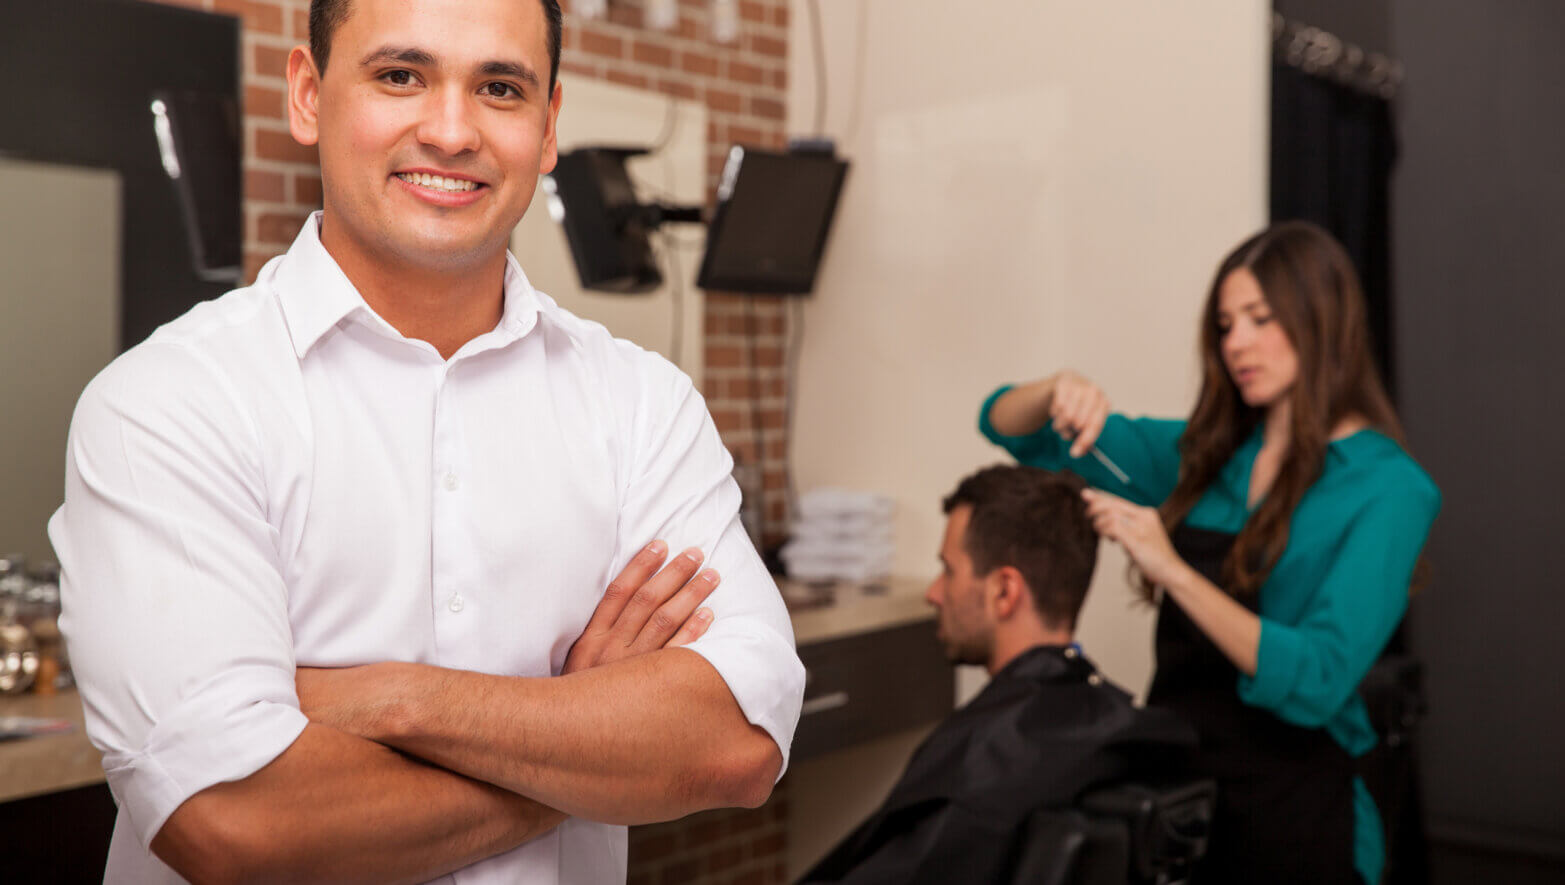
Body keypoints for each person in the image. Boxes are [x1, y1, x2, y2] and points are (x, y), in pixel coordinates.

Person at [47, 1, 804, 882]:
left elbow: (736, 742)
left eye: (499, 87)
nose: (451, 130)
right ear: (306, 95)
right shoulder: (172, 402)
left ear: (549, 125)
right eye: (400, 75)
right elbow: (238, 822)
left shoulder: (640, 404)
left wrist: (394, 700)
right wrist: (587, 744)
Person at [979, 221, 1440, 884]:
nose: (1236, 343)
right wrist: (1057, 389)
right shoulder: (1201, 458)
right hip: (1181, 803)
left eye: (1259, 318)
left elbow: (1315, 681)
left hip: (1297, 814)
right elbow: (1007, 427)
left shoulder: (1389, 489)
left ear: (1322, 319)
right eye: (1225, 324)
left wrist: (1167, 566)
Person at [799, 465, 1195, 885]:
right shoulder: (1125, 729)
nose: (933, 593)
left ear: (1004, 591)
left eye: (949, 570)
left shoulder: (982, 771)